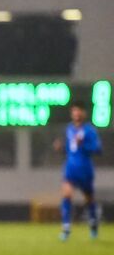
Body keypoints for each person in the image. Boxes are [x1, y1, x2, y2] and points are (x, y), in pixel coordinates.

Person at [54, 102, 102, 241]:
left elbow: (98, 149)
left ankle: (93, 224)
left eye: (79, 111)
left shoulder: (89, 131)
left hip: (85, 169)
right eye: (74, 111)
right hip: (70, 168)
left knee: (89, 199)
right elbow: (70, 149)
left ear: (83, 113)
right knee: (67, 195)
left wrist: (85, 145)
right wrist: (60, 148)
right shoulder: (69, 129)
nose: (76, 113)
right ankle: (66, 228)